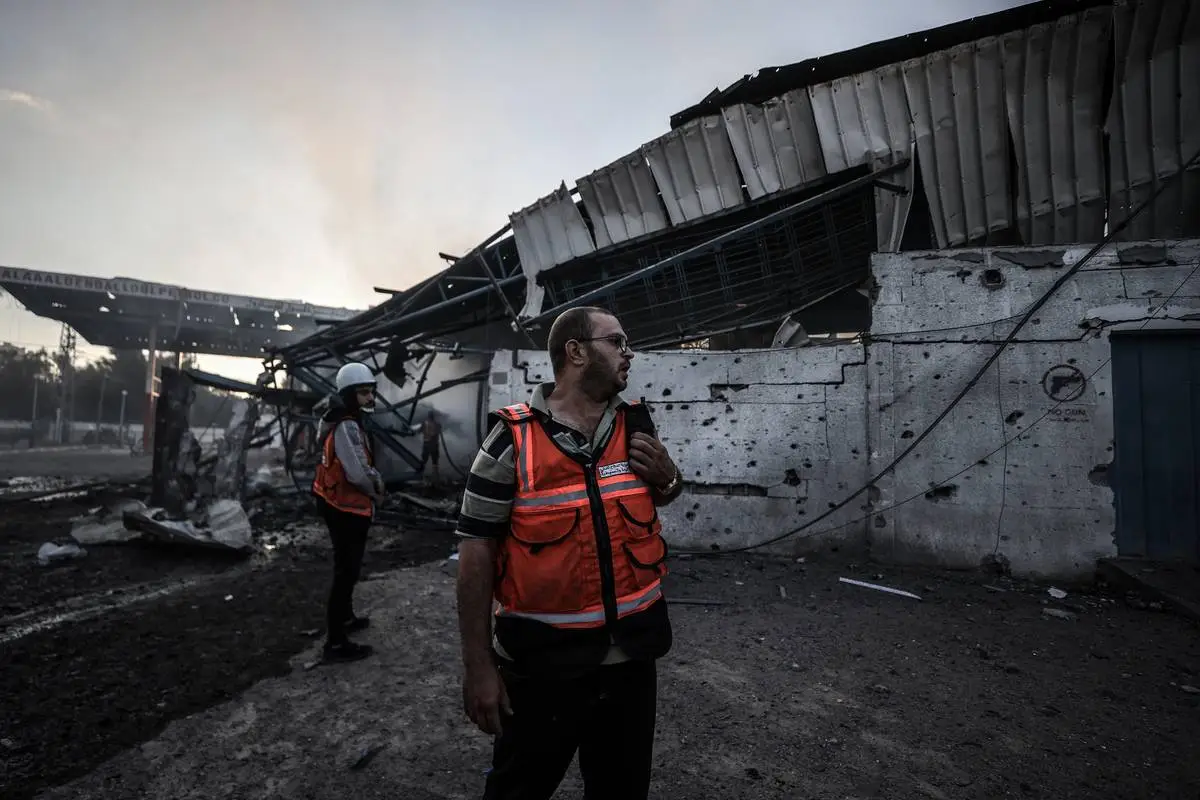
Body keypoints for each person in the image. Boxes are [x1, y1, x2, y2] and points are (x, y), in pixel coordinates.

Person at [455, 306, 684, 800]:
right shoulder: (510, 441)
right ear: (576, 352)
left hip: (631, 664)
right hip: (543, 670)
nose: (629, 353)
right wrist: (478, 667)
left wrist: (669, 476)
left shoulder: (637, 425)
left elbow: (659, 493)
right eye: (617, 342)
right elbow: (475, 554)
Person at [311, 361, 386, 663]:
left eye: (371, 393)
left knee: (347, 566)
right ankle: (336, 643)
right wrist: (377, 488)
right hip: (344, 506)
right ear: (349, 395)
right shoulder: (347, 425)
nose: (370, 399)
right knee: (346, 571)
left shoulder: (340, 418)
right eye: (365, 393)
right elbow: (357, 473)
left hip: (333, 502)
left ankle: (346, 618)